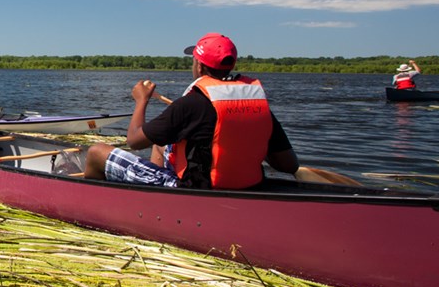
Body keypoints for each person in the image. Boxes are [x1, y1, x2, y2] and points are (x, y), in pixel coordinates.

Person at [83, 32, 299, 189]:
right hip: (248, 187)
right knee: (160, 144)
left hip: (196, 190)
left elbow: (134, 141)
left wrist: (141, 100)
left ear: (199, 66)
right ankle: (150, 192)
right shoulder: (257, 105)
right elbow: (288, 165)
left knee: (96, 152)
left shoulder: (191, 104)